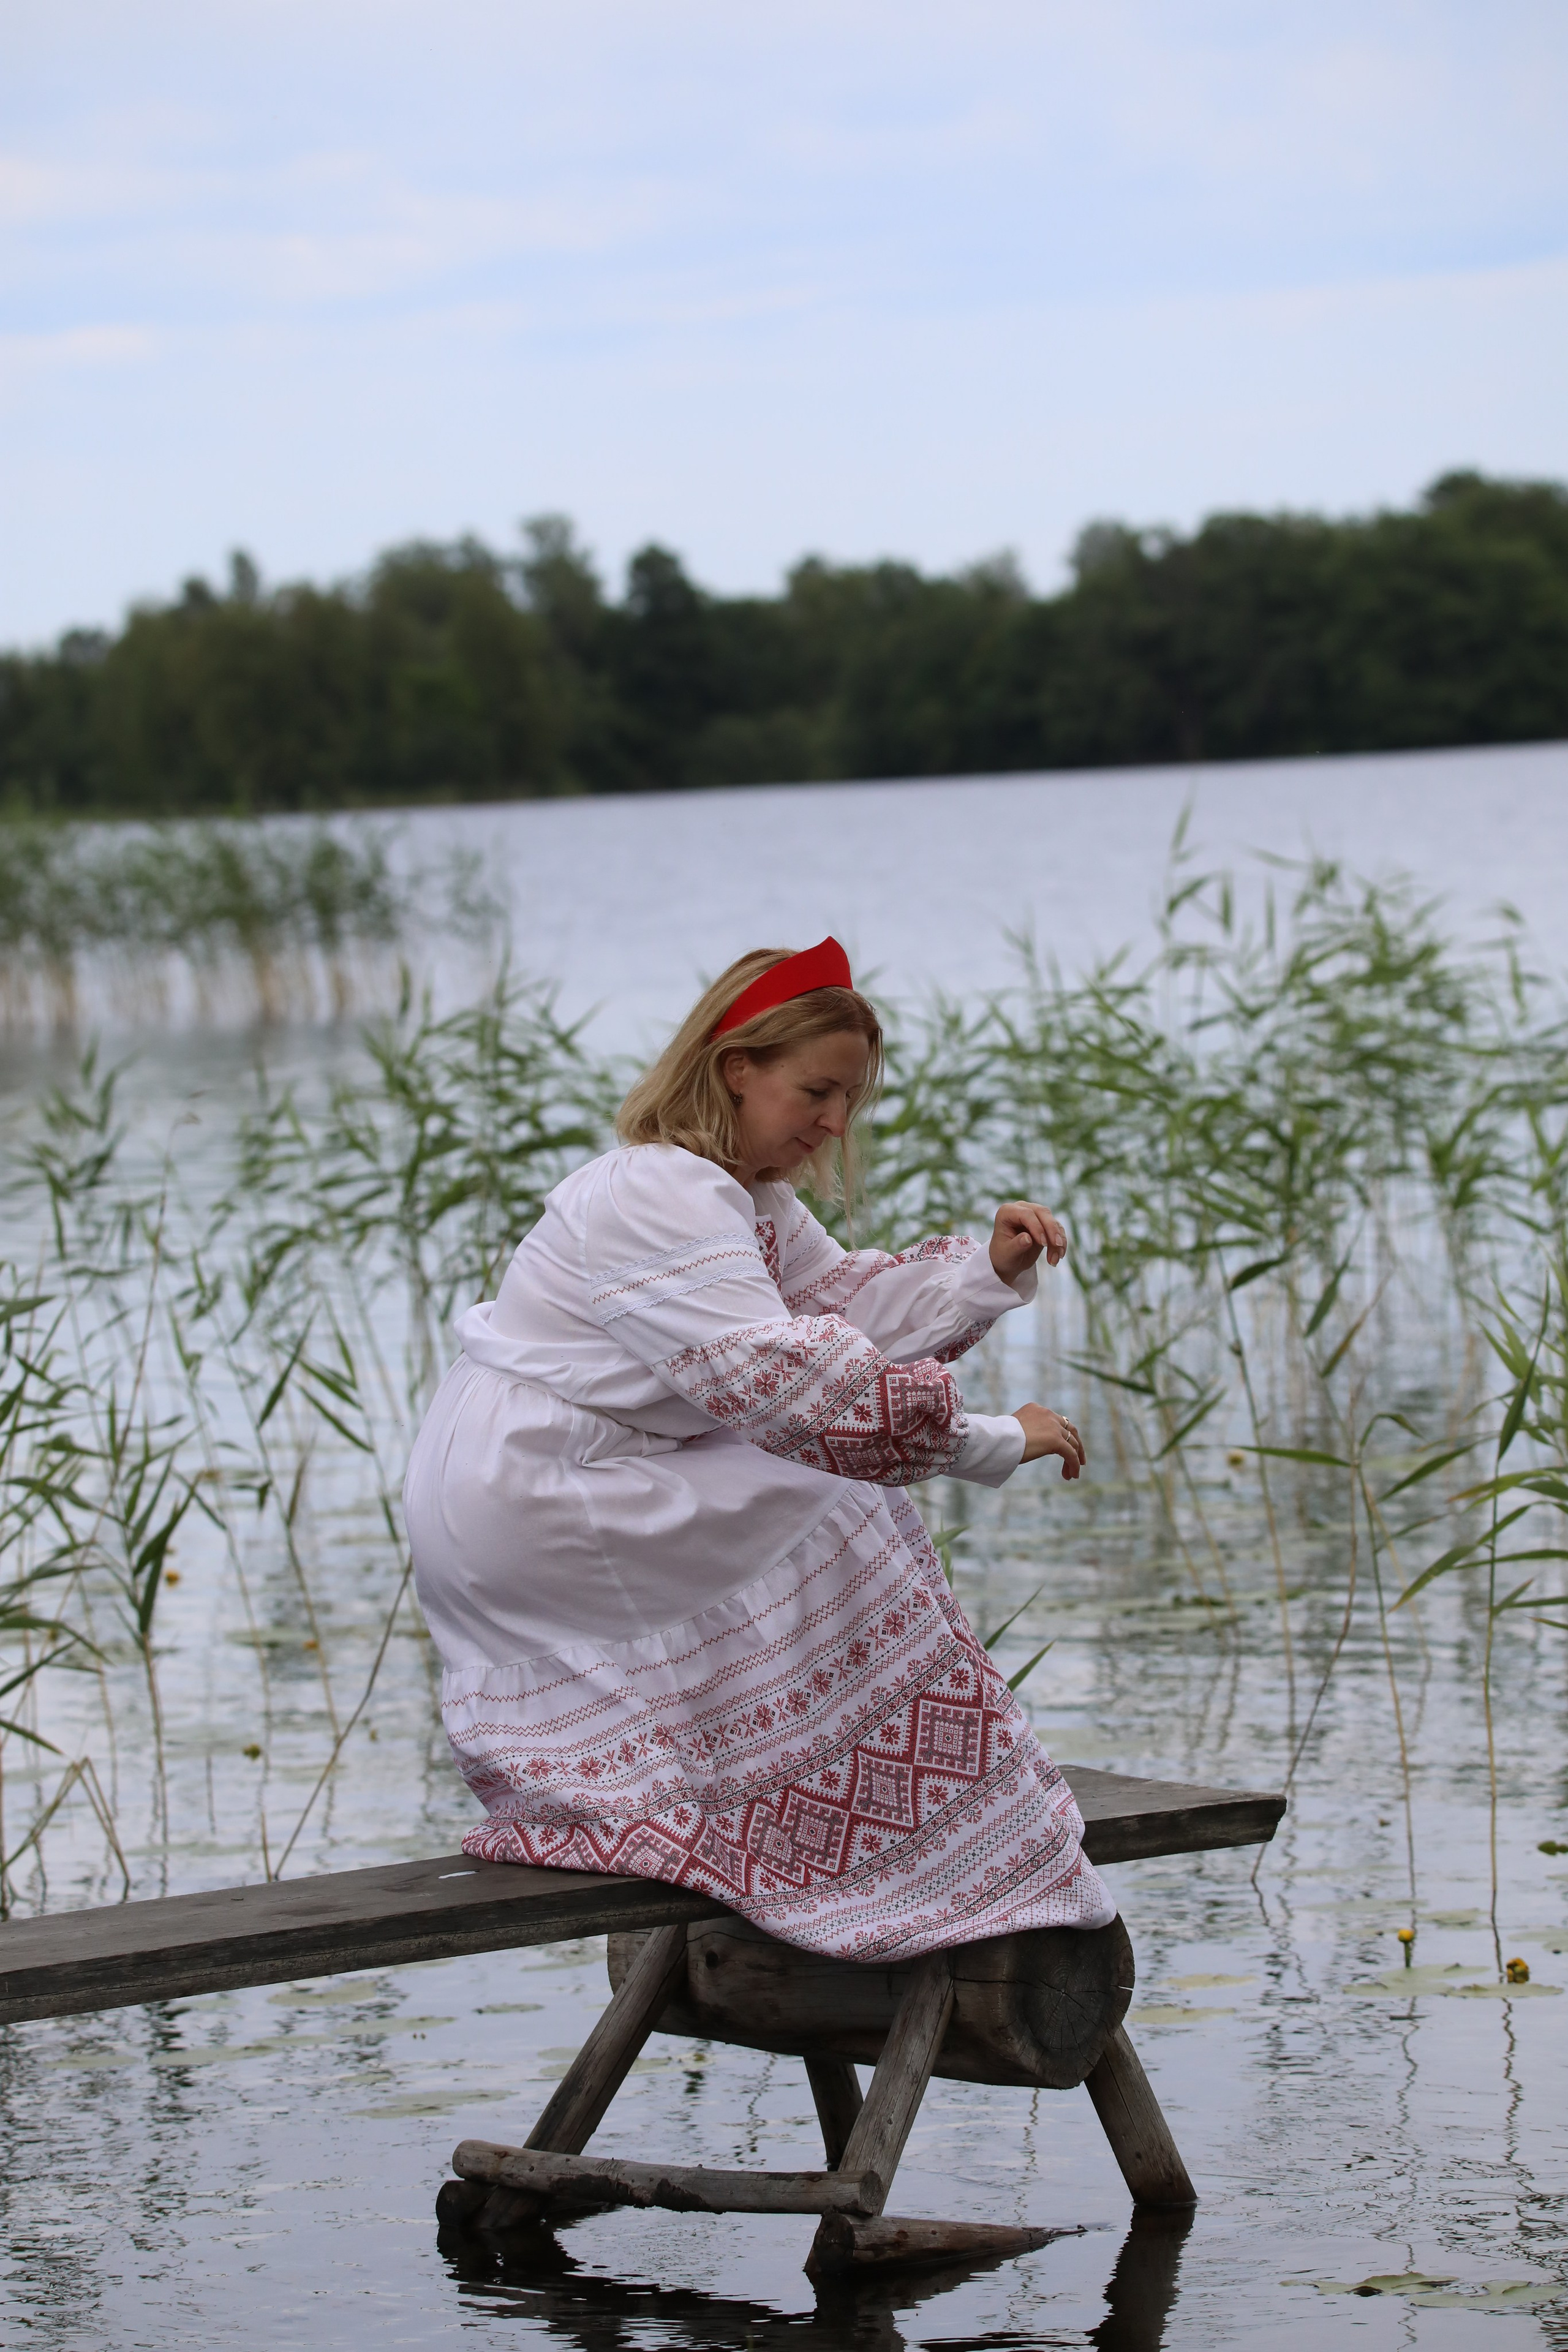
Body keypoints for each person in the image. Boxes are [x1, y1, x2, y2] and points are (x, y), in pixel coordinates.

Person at [404, 939, 1115, 1958]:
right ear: (738, 1067)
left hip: (557, 1476)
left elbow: (840, 1309)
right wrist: (990, 1441)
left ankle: (780, 1809)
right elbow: (791, 1386)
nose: (833, 1123)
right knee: (835, 1491)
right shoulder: (657, 1191)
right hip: (537, 1494)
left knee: (827, 1483)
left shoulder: (742, 1198)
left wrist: (982, 1274)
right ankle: (858, 1828)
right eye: (816, 1091)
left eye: (849, 1100)